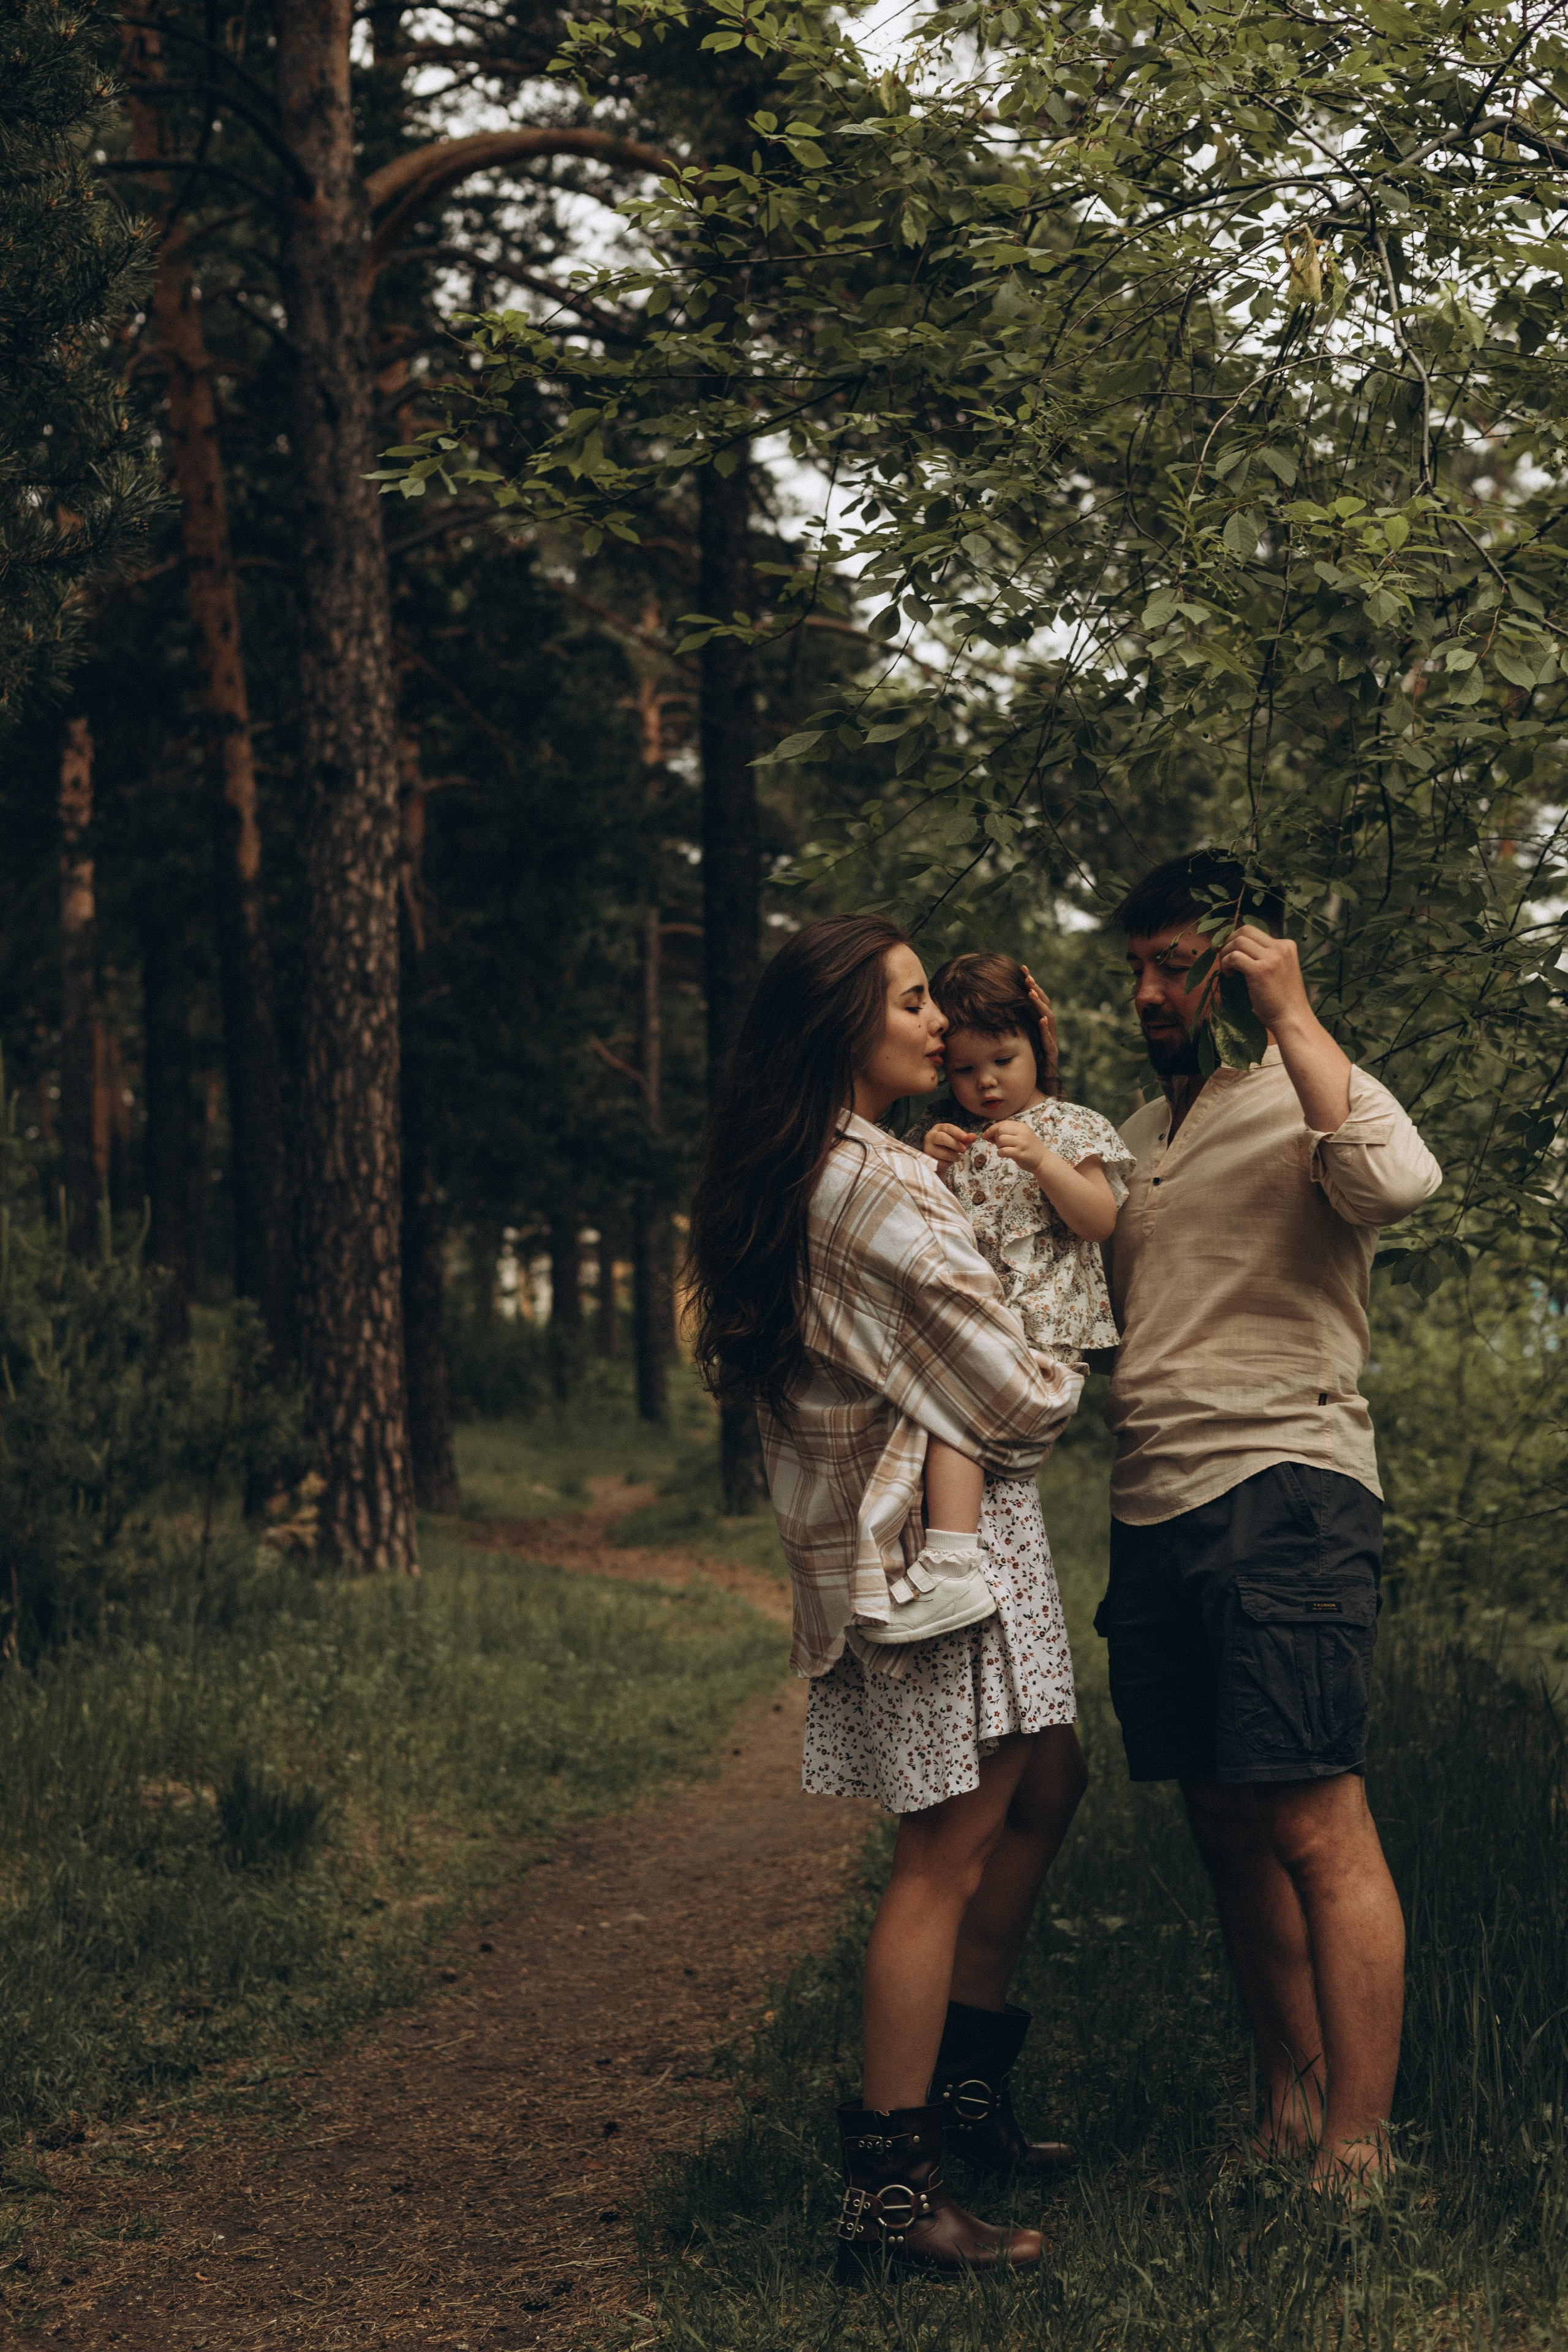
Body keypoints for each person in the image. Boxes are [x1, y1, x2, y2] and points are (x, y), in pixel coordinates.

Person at [687, 914, 1087, 2281]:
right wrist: (1069, 1357)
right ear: (837, 1029)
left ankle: (962, 2096)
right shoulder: (876, 1189)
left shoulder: (830, 1165)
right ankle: (890, 2192)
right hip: (932, 1561)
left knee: (1043, 1784)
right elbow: (1012, 1391)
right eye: (910, 1002)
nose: (936, 1022)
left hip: (940, 1542)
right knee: (940, 1857)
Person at [1094, 852, 1443, 2192]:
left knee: (1311, 1817)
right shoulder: (1131, 1137)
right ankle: (1286, 2116)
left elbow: (1396, 1185)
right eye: (1134, 968)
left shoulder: (1313, 1096)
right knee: (1224, 1821)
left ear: (1245, 959)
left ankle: (1358, 2156)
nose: (1148, 991)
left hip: (1286, 1487)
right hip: (1152, 1499)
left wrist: (1293, 1015)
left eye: (1175, 963)